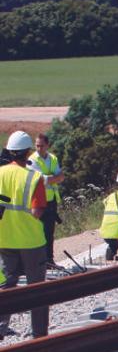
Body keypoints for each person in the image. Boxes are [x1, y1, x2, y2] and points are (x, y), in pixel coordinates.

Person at [0, 131, 49, 339]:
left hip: (5, 241)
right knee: (36, 291)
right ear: (28, 152)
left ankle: (1, 328)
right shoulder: (34, 177)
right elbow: (37, 212)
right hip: (31, 242)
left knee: (6, 288)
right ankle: (39, 335)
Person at [28, 133, 64, 269]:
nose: (38, 148)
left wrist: (49, 178)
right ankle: (39, 262)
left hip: (52, 200)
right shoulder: (32, 160)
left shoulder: (53, 158)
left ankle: (49, 260)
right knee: (39, 232)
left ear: (47, 145)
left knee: (49, 232)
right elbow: (40, 180)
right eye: (37, 145)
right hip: (38, 201)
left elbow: (61, 177)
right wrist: (53, 177)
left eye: (41, 146)